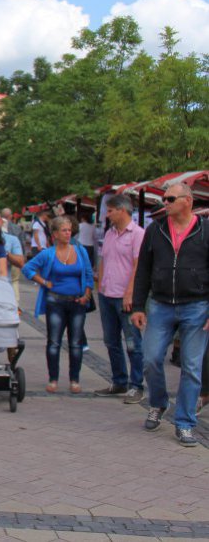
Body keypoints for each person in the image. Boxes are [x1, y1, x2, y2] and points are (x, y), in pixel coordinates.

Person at [131, 183, 208, 447]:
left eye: (171, 199)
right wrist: (138, 306)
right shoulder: (156, 230)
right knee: (150, 359)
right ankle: (158, 402)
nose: (165, 203)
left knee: (192, 367)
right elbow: (143, 269)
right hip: (161, 304)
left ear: (188, 201)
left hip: (196, 306)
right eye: (164, 198)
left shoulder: (205, 230)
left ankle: (185, 423)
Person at [23, 216, 94, 394]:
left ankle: (74, 379)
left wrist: (86, 294)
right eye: (64, 230)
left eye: (69, 230)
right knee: (54, 342)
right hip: (55, 301)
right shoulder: (48, 253)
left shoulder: (80, 251)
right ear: (55, 234)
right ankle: (53, 379)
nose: (68, 233)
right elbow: (28, 268)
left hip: (77, 301)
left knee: (76, 343)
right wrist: (43, 282)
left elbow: (87, 273)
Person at [94, 195, 146, 403]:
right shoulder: (109, 234)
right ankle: (119, 381)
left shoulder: (137, 234)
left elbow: (138, 266)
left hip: (125, 297)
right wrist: (100, 286)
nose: (107, 215)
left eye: (110, 211)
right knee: (111, 341)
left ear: (122, 210)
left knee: (133, 342)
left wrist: (130, 292)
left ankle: (136, 385)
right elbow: (104, 259)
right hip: (107, 294)